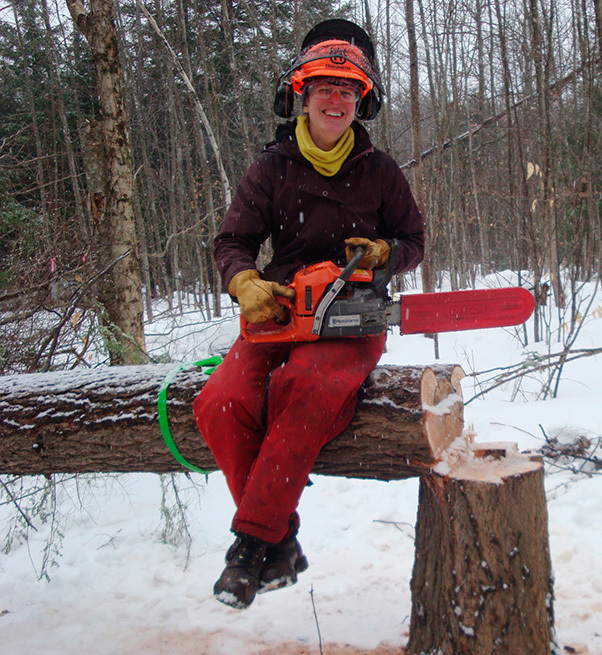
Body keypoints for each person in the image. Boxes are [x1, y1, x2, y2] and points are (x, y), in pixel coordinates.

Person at [193, 18, 424, 610]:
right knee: (219, 402)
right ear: (302, 93)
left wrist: (385, 255)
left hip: (352, 313)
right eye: (324, 87)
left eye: (348, 90)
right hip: (284, 307)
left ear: (361, 103)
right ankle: (282, 538)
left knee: (306, 385)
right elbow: (232, 241)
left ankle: (249, 548)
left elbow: (414, 240)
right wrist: (244, 281)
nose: (336, 99)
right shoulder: (271, 168)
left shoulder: (380, 170)